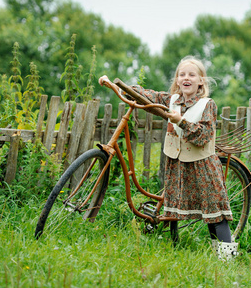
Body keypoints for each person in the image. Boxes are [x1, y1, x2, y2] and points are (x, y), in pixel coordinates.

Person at [99, 56, 238, 260]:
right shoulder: (172, 100)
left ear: (201, 81)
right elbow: (148, 95)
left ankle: (228, 259)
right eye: (182, 75)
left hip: (203, 167)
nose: (186, 78)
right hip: (178, 165)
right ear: (177, 80)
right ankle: (179, 248)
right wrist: (117, 85)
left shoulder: (207, 104)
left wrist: (180, 121)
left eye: (191, 74)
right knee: (176, 211)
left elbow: (204, 136)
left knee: (214, 214)